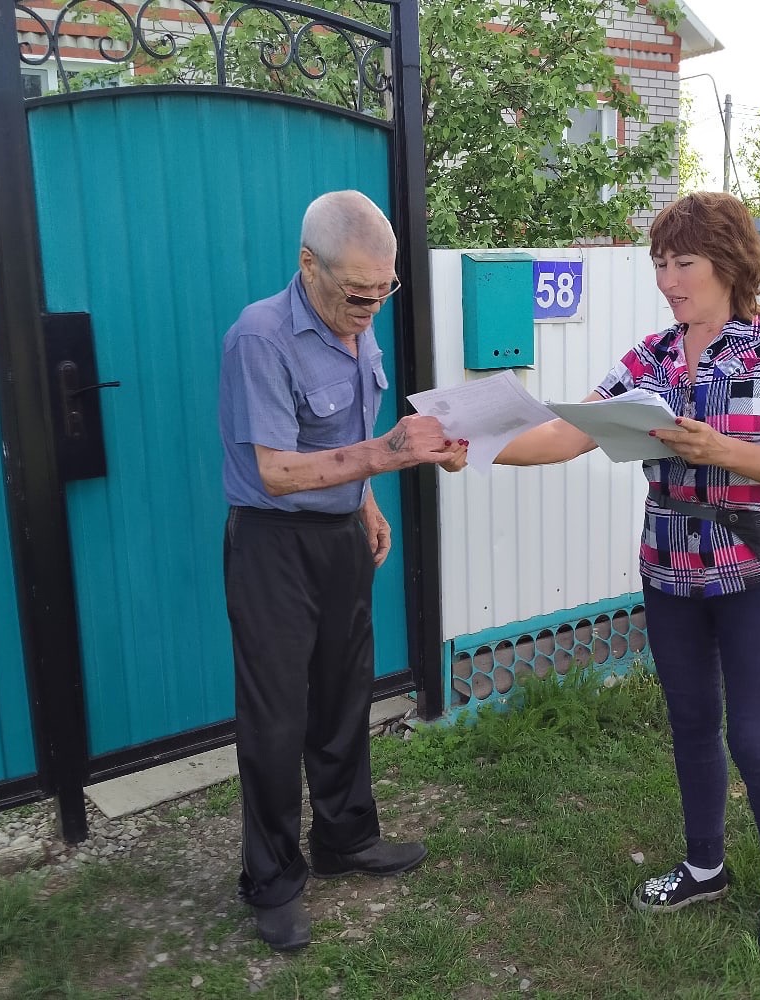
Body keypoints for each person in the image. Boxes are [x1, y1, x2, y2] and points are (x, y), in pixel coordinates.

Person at [495, 192, 760, 962]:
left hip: (752, 570)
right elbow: (566, 433)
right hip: (669, 568)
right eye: (659, 263)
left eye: (682, 262)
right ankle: (704, 867)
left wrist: (722, 451)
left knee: (752, 736)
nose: (666, 279)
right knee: (689, 723)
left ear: (728, 262)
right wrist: (474, 448)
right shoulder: (649, 357)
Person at [219, 190, 467, 952]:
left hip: (339, 538)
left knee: (343, 695)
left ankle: (344, 838)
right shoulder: (259, 337)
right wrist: (388, 455)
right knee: (276, 718)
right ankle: (271, 880)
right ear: (308, 265)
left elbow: (337, 431)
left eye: (383, 291)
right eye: (358, 293)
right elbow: (276, 472)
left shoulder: (358, 324)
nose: (371, 308)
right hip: (273, 545)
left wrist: (364, 505)